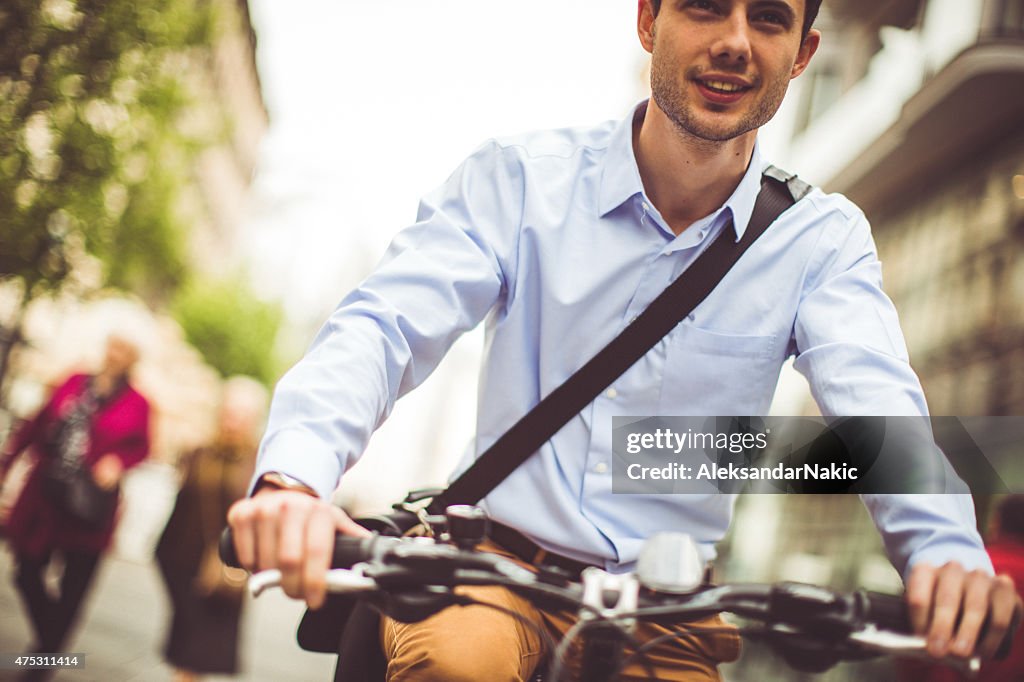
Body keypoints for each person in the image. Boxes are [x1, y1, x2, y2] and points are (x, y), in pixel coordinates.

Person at [228, 1, 1023, 680]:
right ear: (648, 19)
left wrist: (945, 556)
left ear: (802, 54)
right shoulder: (519, 181)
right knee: (456, 667)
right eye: (706, 5)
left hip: (669, 609)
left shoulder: (822, 241)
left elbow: (881, 416)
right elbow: (383, 327)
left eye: (770, 19)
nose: (737, 40)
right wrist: (295, 479)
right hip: (487, 575)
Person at [0, 333, 151, 671]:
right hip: (45, 498)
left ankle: (42, 661)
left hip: (90, 507)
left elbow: (142, 447)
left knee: (73, 592)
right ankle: (51, 648)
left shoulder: (138, 403)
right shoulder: (74, 381)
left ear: (133, 358)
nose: (114, 353)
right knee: (25, 571)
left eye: (123, 349)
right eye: (112, 344)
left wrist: (118, 462)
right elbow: (36, 424)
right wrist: (6, 464)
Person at [155, 376, 269, 682]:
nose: (232, 422)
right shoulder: (199, 452)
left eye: (242, 416)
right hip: (183, 560)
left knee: (197, 653)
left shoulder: (259, 462)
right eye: (229, 413)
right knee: (187, 647)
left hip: (226, 568)